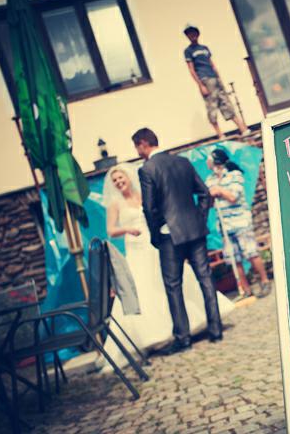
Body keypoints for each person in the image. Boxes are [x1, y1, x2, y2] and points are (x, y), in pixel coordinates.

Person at [101, 163, 235, 363]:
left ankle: (192, 323)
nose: (119, 182)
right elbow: (111, 230)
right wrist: (127, 229)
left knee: (172, 283)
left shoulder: (142, 194)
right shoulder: (115, 204)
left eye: (121, 178)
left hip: (155, 243)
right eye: (115, 180)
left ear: (128, 178)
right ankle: (155, 334)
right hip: (136, 248)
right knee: (145, 288)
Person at [133, 127, 224, 355]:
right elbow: (204, 193)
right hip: (195, 231)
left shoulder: (147, 169)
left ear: (143, 144)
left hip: (169, 236)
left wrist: (156, 235)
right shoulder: (183, 162)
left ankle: (183, 338)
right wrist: (199, 218)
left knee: (173, 286)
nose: (137, 152)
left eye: (136, 147)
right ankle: (216, 329)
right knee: (205, 278)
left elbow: (149, 208)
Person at [205, 148, 271, 300]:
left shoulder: (235, 175)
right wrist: (211, 195)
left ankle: (265, 281)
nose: (207, 162)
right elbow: (209, 202)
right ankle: (245, 290)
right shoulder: (210, 180)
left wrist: (219, 190)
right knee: (234, 259)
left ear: (215, 160)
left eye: (209, 159)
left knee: (251, 253)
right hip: (224, 226)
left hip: (240, 222)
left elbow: (233, 197)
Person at [183, 24, 250, 140]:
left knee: (226, 103)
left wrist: (219, 78)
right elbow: (191, 69)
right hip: (205, 80)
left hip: (215, 79)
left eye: (193, 33)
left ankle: (243, 129)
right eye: (189, 34)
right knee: (212, 107)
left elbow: (212, 64)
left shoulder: (204, 48)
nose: (192, 35)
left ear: (197, 34)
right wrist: (201, 85)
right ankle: (220, 135)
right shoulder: (188, 51)